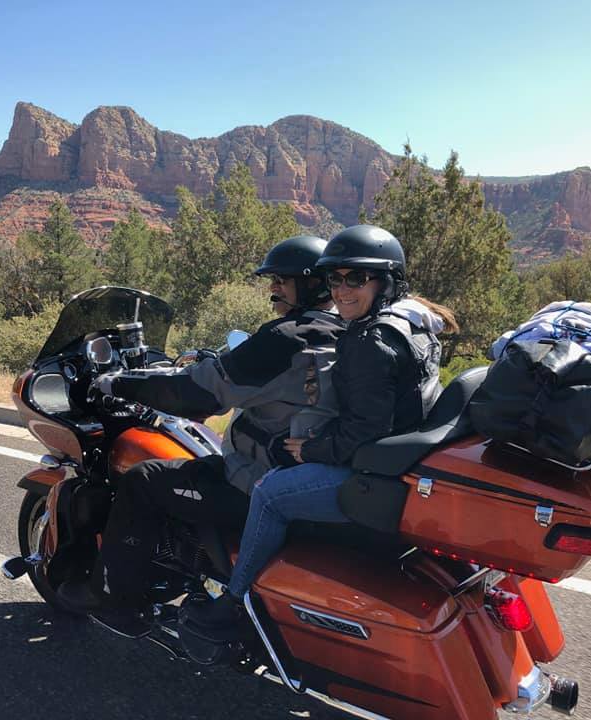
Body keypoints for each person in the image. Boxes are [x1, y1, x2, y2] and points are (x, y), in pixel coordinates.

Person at [182, 224, 458, 639]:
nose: (343, 290)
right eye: (335, 278)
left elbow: (365, 430)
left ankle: (236, 602)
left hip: (372, 470)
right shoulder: (413, 323)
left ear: (386, 281)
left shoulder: (372, 340)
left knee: (270, 493)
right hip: (402, 458)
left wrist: (313, 449)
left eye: (357, 278)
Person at [56, 235, 345, 616]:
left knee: (143, 480)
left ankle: (113, 594)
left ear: (312, 283)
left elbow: (193, 393)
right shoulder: (344, 333)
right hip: (308, 478)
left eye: (282, 279)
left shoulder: (287, 338)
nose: (273, 288)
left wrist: (118, 383)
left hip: (256, 482)